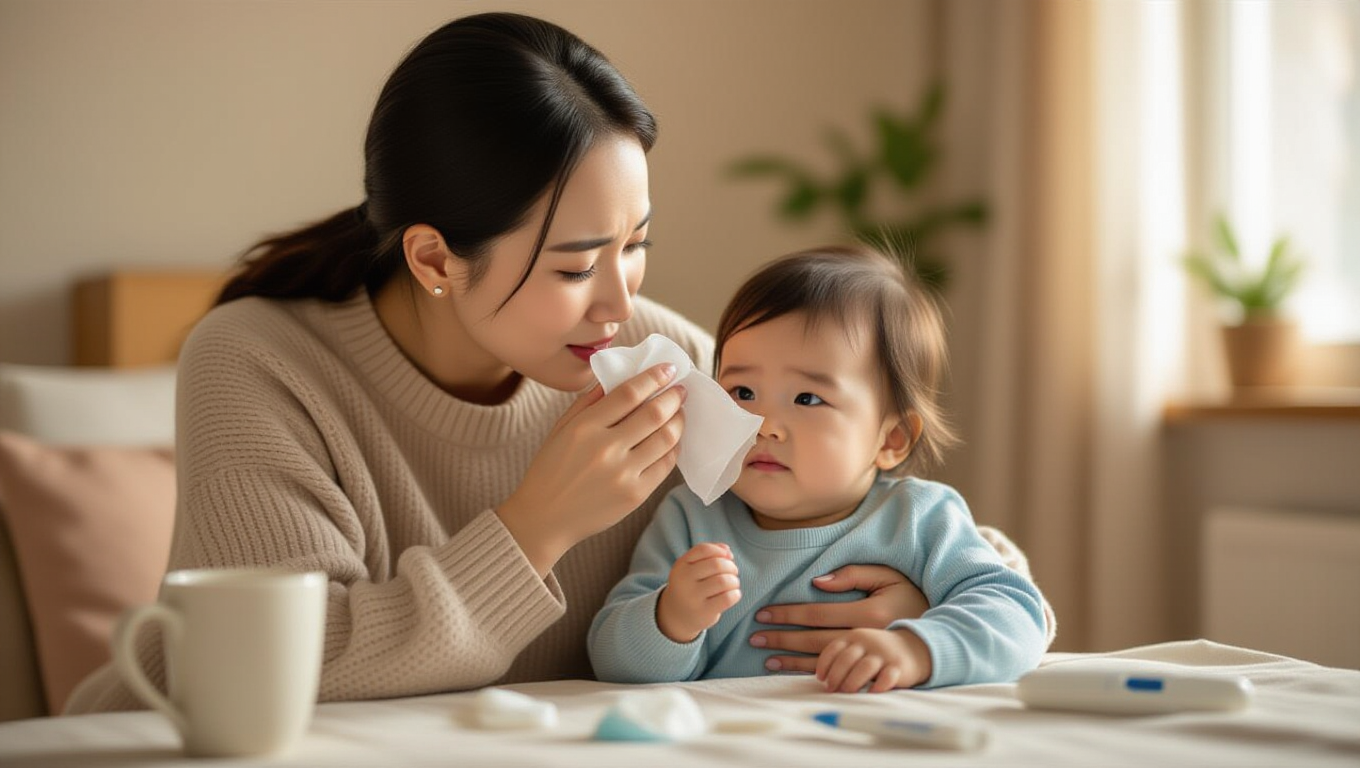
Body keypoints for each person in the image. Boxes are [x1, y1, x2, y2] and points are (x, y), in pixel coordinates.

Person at [63, 13, 1019, 713]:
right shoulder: (260, 365)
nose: (620, 302)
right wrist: (535, 528)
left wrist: (917, 609)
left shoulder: (671, 365)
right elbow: (281, 669)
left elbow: (940, 540)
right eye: (573, 265)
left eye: (635, 244)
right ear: (435, 258)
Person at [589, 245, 1052, 692]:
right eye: (742, 393)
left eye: (808, 399)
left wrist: (917, 649)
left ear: (890, 440)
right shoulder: (693, 516)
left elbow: (1016, 614)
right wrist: (671, 618)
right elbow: (610, 659)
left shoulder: (919, 518)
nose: (764, 426)